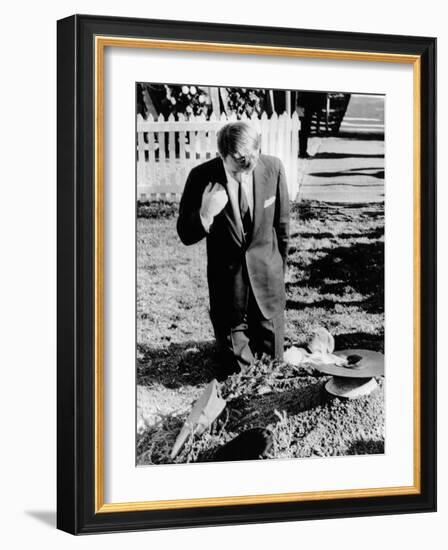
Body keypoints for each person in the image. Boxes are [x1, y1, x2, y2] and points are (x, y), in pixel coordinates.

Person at [177, 122, 290, 380]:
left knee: (274, 369)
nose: (244, 174)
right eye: (237, 167)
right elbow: (184, 234)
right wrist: (205, 214)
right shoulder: (200, 177)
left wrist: (278, 275)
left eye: (250, 166)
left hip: (268, 285)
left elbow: (282, 228)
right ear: (221, 155)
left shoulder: (273, 168)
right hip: (228, 291)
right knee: (237, 375)